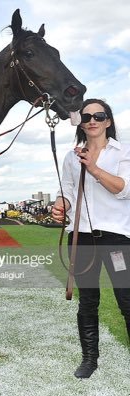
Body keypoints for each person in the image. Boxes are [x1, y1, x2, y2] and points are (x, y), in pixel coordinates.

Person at [52, 98, 130, 379]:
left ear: (108, 120)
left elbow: (124, 189)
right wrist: (62, 205)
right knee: (88, 301)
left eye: (99, 115)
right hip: (81, 237)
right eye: (86, 117)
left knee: (127, 300)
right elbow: (69, 191)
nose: (93, 120)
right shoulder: (71, 157)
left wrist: (94, 168)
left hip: (117, 238)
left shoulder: (124, 151)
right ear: (80, 123)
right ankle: (89, 359)